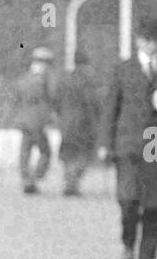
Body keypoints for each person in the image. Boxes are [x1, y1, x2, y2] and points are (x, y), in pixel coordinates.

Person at [98, 17, 157, 259]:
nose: (150, 45)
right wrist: (105, 142)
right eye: (145, 40)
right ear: (138, 40)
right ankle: (128, 245)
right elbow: (110, 107)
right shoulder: (122, 69)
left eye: (155, 40)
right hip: (127, 144)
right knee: (128, 200)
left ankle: (147, 255)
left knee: (154, 203)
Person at [55, 49, 99, 196]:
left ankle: (70, 181)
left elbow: (56, 101)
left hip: (66, 122)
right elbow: (92, 101)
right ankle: (73, 182)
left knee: (68, 154)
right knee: (84, 153)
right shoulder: (88, 79)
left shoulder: (65, 78)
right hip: (83, 122)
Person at [13, 47, 56, 194]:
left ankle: (26, 179)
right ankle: (35, 177)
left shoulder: (24, 79)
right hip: (38, 122)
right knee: (46, 152)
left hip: (24, 121)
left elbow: (17, 98)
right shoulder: (45, 80)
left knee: (25, 152)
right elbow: (50, 98)